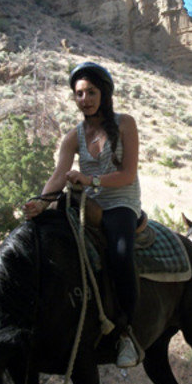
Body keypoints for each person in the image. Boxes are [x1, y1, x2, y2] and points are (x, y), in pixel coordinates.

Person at [23, 61, 143, 368]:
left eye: (91, 91)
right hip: (88, 204)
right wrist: (40, 201)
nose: (85, 99)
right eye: (79, 93)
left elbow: (128, 174)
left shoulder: (125, 123)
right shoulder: (73, 136)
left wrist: (90, 180)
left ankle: (126, 333)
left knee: (119, 254)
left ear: (104, 92)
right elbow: (58, 176)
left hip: (120, 204)